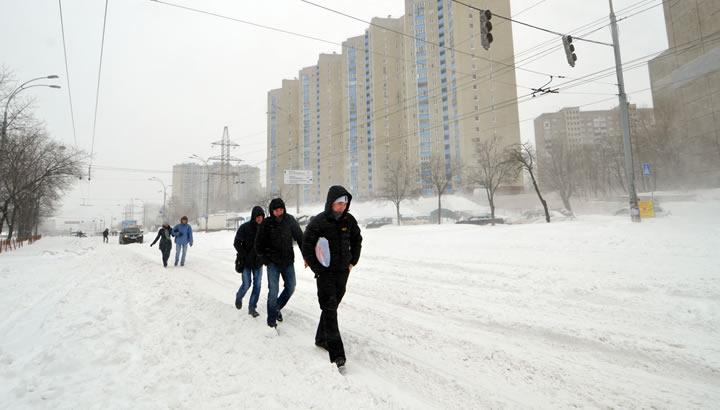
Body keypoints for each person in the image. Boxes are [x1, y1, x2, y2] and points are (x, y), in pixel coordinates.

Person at [302, 186, 362, 370]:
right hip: (325, 273)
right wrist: (318, 268)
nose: (342, 207)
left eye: (345, 204)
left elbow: (357, 240)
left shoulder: (348, 220)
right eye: (339, 204)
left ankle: (321, 338)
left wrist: (353, 261)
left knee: (332, 306)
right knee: (329, 308)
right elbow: (306, 245)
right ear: (331, 203)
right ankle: (337, 354)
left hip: (343, 271)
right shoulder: (319, 222)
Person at [255, 198, 303, 328]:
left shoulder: (290, 220)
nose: (279, 212)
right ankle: (271, 322)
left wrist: (307, 257)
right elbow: (258, 245)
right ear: (272, 211)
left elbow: (300, 238)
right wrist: (266, 260)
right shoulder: (266, 224)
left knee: (291, 287)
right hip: (273, 264)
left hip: (288, 262)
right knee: (273, 291)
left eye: (281, 209)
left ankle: (276, 308)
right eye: (276, 210)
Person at [234, 206, 265, 317]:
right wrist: (244, 255)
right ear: (253, 217)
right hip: (246, 262)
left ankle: (252, 308)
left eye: (261, 216)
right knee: (247, 284)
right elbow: (237, 243)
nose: (259, 219)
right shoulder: (245, 228)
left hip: (258, 263)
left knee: (257, 285)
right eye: (257, 217)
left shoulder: (265, 229)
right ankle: (239, 296)